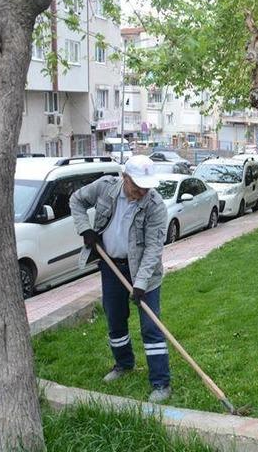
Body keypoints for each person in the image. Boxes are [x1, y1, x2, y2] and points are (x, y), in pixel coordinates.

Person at [70, 155, 172, 403]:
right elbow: (76, 200)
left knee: (151, 327)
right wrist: (86, 229)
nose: (141, 192)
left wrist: (140, 285)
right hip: (111, 266)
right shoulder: (106, 188)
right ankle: (123, 364)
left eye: (145, 187)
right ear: (124, 178)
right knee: (115, 319)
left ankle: (161, 382)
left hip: (144, 274)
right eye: (137, 186)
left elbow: (152, 250)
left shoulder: (155, 205)